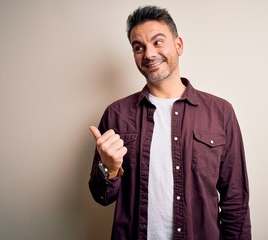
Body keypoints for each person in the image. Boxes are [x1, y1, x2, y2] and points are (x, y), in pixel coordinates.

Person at [88, 5, 251, 240]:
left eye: (158, 42)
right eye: (139, 47)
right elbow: (101, 197)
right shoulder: (117, 114)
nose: (149, 54)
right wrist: (110, 170)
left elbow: (235, 200)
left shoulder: (220, 112)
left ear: (178, 45)